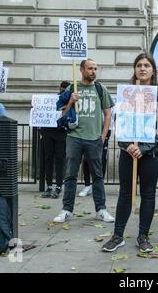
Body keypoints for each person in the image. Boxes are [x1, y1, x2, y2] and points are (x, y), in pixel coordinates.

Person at [102, 53, 158, 253]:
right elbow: (120, 123)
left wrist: (143, 149)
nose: (142, 68)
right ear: (134, 69)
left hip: (152, 155)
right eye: (139, 65)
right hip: (128, 153)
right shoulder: (126, 93)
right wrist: (129, 146)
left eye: (146, 65)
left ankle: (143, 236)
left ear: (153, 70)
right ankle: (117, 235)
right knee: (125, 194)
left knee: (148, 194)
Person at [53, 58, 115, 223]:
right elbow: (63, 116)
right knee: (70, 175)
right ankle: (67, 210)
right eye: (90, 68)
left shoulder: (100, 89)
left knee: (98, 176)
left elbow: (108, 114)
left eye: (95, 68)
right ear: (81, 70)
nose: (93, 71)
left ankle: (101, 209)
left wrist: (103, 136)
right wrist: (71, 101)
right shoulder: (72, 88)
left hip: (94, 138)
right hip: (74, 138)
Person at [41, 81, 70, 199]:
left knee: (59, 159)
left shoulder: (69, 101)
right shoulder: (53, 99)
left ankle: (58, 186)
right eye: (61, 88)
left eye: (65, 88)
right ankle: (49, 186)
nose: (62, 90)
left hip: (61, 133)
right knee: (48, 158)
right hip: (48, 131)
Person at [78, 108, 113, 197]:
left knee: (101, 159)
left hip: (103, 129)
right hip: (88, 130)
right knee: (86, 158)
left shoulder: (104, 96)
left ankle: (98, 185)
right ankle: (87, 185)